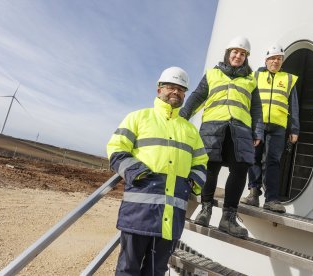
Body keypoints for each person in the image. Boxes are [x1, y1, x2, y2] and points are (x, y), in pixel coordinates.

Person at [107, 66, 208, 276]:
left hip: (171, 218)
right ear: (159, 89)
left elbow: (201, 162)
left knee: (156, 271)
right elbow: (116, 150)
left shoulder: (190, 130)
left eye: (181, 89)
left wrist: (192, 183)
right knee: (128, 269)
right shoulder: (138, 118)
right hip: (139, 214)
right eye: (171, 87)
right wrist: (138, 173)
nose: (176, 92)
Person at [179, 36, 264, 239]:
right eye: (235, 52)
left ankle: (228, 218)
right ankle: (205, 209)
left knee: (241, 168)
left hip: (241, 129)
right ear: (228, 53)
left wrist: (257, 131)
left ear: (246, 57)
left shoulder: (251, 80)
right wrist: (182, 117)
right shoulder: (212, 74)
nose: (238, 55)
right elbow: (197, 97)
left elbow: (256, 108)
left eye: (242, 53)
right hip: (213, 127)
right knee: (210, 167)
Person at [240, 44, 300, 213]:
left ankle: (272, 199)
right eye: (272, 58)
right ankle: (253, 193)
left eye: (279, 58)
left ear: (282, 61)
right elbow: (246, 99)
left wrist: (294, 129)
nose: (275, 61)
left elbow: (294, 106)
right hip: (257, 124)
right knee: (253, 158)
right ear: (266, 60)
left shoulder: (289, 79)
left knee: (273, 161)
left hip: (278, 127)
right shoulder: (255, 75)